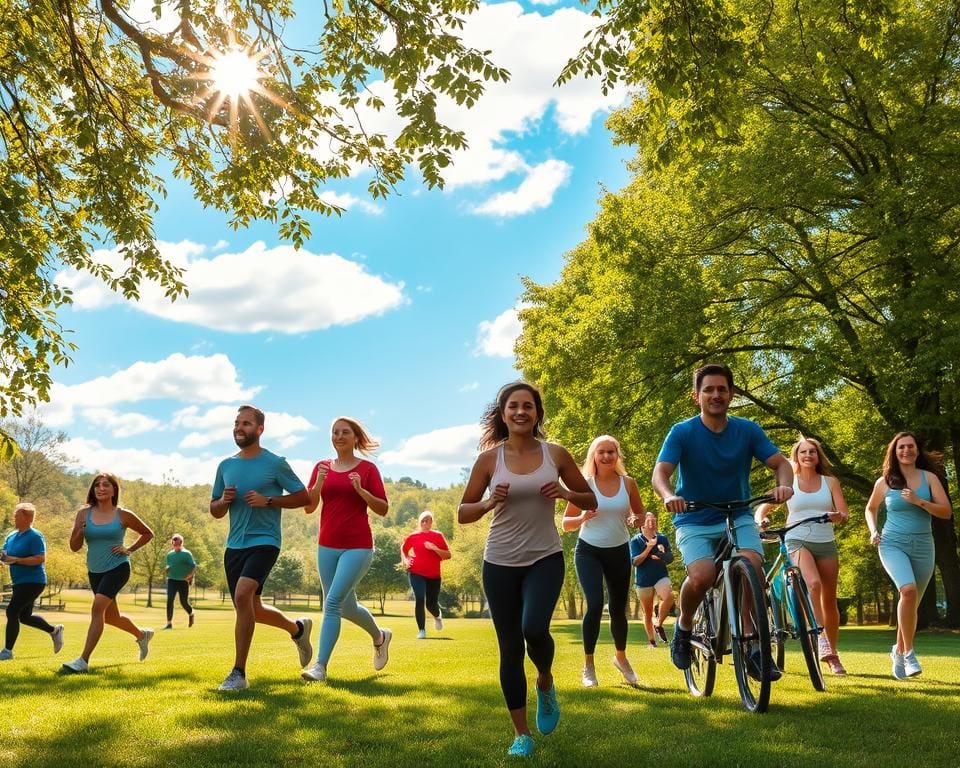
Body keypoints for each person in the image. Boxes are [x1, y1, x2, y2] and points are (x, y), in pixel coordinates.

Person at [458, 381, 597, 758]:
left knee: (534, 628)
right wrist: (488, 503)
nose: (521, 412)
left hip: (544, 557)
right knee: (509, 647)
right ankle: (521, 734)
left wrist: (566, 494)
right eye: (513, 407)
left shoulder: (556, 454)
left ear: (537, 413)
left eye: (528, 406)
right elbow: (462, 513)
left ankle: (546, 682)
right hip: (499, 562)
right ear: (503, 414)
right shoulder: (489, 459)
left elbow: (590, 498)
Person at [651, 363, 793, 682]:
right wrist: (667, 495)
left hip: (737, 513)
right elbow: (661, 473)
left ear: (732, 394)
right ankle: (684, 625)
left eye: (722, 389)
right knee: (702, 576)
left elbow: (781, 463)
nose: (716, 395)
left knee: (751, 566)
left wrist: (786, 484)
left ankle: (755, 647)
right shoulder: (683, 432)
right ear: (696, 396)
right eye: (708, 389)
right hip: (694, 517)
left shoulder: (748, 430)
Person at [210, 405, 313, 691]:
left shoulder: (275, 463)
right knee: (250, 606)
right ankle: (298, 630)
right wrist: (224, 501)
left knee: (243, 595)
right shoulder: (226, 466)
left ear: (259, 429)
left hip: (265, 541)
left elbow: (303, 497)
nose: (239, 428)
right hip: (234, 545)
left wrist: (269, 500)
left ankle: (238, 673)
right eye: (236, 423)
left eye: (245, 423)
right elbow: (215, 510)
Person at [301, 417, 392, 683]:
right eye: (335, 432)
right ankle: (380, 636)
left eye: (345, 432)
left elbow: (383, 509)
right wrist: (318, 483)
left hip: (358, 546)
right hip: (326, 545)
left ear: (355, 438)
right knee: (346, 607)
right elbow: (309, 507)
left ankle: (320, 666)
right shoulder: (322, 467)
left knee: (331, 603)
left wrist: (361, 490)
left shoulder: (367, 469)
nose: (339, 436)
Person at [755, 437, 850, 675]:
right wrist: (761, 521)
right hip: (796, 539)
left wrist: (835, 516)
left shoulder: (830, 482)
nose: (808, 455)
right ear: (796, 456)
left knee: (829, 598)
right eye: (803, 452)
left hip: (825, 541)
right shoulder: (789, 484)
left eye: (813, 452)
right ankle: (821, 639)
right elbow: (762, 507)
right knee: (813, 584)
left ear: (818, 456)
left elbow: (844, 512)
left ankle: (832, 652)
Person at [865, 431, 951, 679]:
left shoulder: (930, 478)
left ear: (917, 450)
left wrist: (919, 501)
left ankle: (898, 651)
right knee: (908, 591)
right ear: (894, 451)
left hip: (924, 545)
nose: (906, 451)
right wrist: (873, 530)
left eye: (910, 446)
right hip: (892, 543)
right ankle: (910, 653)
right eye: (901, 447)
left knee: (911, 604)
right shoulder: (885, 481)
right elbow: (870, 508)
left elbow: (945, 512)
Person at [562, 435, 643, 687]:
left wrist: (635, 520)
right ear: (593, 456)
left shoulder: (628, 483)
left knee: (619, 608)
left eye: (611, 452)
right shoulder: (584, 485)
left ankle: (621, 658)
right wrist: (583, 517)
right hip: (589, 552)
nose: (607, 456)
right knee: (595, 604)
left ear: (617, 456)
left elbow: (639, 514)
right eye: (601, 452)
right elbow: (566, 524)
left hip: (619, 550)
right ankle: (588, 666)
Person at [62, 473, 155, 673]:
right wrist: (80, 531)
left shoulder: (123, 514)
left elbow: (148, 533)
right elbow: (74, 546)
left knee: (97, 609)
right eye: (97, 485)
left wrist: (129, 549)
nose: (101, 488)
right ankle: (142, 635)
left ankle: (82, 661)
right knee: (111, 617)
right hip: (95, 570)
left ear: (114, 490)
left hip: (118, 567)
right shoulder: (83, 514)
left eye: (106, 485)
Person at [0, 503, 64, 660]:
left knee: (12, 611)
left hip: (34, 581)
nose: (14, 517)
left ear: (28, 518)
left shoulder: (35, 536)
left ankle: (7, 652)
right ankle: (54, 631)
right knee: (24, 616)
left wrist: (17, 560)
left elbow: (40, 558)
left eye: (18, 515)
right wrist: (2, 559)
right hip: (19, 582)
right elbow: (4, 554)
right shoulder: (11, 537)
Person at [401, 510, 451, 639]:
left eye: (426, 520)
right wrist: (406, 559)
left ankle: (437, 616)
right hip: (416, 572)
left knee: (431, 604)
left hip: (434, 576)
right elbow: (404, 548)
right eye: (422, 520)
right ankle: (422, 630)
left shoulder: (438, 536)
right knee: (419, 598)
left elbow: (447, 555)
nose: (424, 523)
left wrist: (434, 548)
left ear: (431, 522)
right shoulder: (413, 536)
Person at [629, 511, 675, 650]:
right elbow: (635, 562)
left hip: (660, 575)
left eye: (654, 520)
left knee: (669, 597)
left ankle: (659, 624)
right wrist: (649, 548)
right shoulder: (635, 541)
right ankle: (652, 642)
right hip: (643, 580)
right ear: (642, 525)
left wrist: (661, 555)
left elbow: (670, 558)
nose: (652, 523)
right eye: (649, 520)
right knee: (648, 613)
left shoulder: (662, 538)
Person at [163, 533, 197, 630]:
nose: (176, 545)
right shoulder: (170, 555)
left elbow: (194, 566)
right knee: (170, 600)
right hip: (172, 580)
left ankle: (191, 613)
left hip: (183, 581)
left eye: (178, 543)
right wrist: (167, 568)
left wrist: (190, 575)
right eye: (174, 543)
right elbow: (169, 565)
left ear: (181, 543)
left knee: (183, 602)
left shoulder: (187, 554)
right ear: (172, 544)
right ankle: (169, 624)